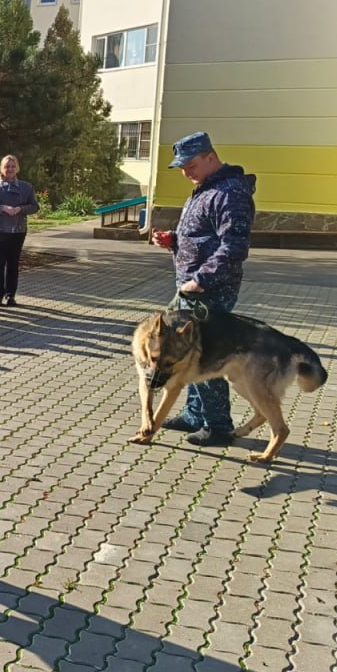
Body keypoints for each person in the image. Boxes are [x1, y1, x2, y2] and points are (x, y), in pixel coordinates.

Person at [150, 132, 257, 447]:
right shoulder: (205, 189)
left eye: (191, 165)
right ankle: (195, 415)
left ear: (211, 156)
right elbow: (201, 236)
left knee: (206, 356)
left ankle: (219, 426)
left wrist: (202, 280)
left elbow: (234, 246)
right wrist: (173, 240)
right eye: (182, 167)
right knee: (189, 353)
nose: (186, 172)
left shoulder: (230, 193)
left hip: (210, 290)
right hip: (192, 287)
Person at [0, 155, 40, 307]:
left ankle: (10, 295)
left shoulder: (26, 187)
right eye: (7, 166)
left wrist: (20, 209)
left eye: (13, 166)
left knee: (13, 264)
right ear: (1, 168)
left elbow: (34, 206)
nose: (10, 169)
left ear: (17, 168)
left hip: (18, 230)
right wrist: (2, 208)